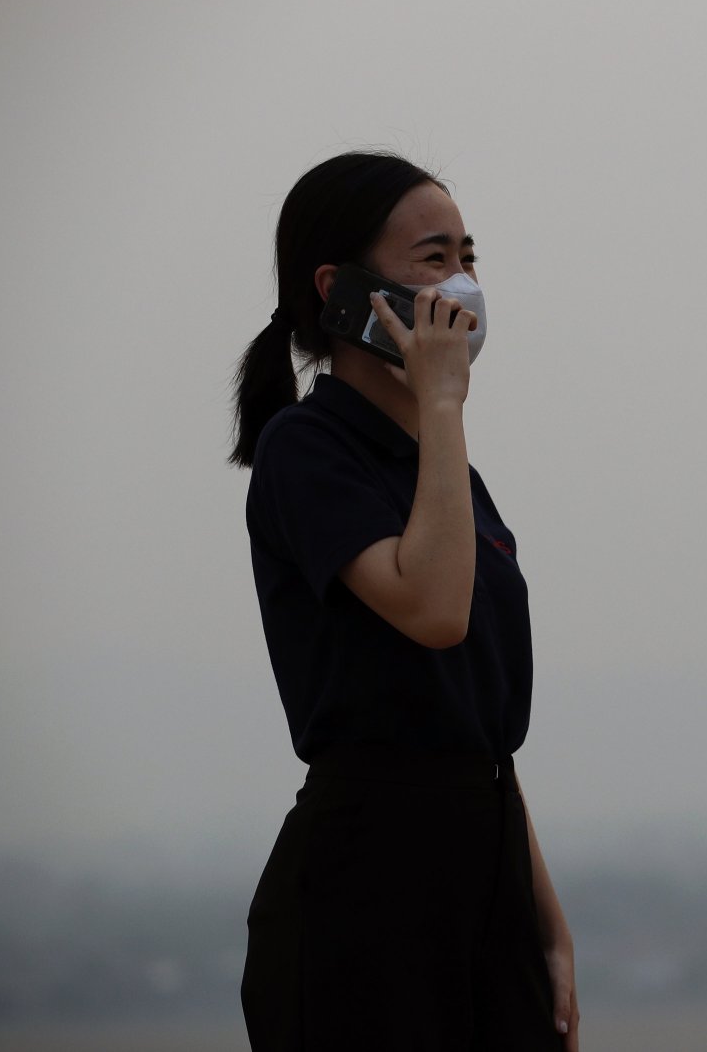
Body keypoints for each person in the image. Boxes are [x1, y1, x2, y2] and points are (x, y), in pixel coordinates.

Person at [228, 150, 579, 1050]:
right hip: (369, 886)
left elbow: (477, 717)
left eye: (469, 253)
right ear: (341, 290)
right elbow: (433, 611)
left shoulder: (447, 475)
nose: (461, 281)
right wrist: (444, 400)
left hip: (485, 864)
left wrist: (544, 918)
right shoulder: (306, 450)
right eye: (433, 257)